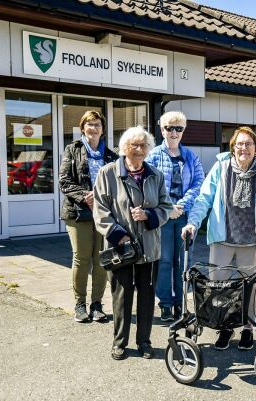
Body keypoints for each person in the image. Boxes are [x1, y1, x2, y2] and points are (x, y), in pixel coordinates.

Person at [181, 126, 256, 351]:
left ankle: (247, 327)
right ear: (232, 147)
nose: (243, 148)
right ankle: (225, 327)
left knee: (251, 287)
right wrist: (193, 222)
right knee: (220, 286)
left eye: (248, 144)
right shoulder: (221, 166)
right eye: (239, 144)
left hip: (251, 240)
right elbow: (204, 197)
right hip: (223, 238)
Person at [93, 126, 172, 360]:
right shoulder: (107, 174)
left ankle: (145, 342)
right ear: (124, 148)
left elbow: (166, 207)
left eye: (143, 145)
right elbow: (100, 211)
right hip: (121, 249)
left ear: (148, 149)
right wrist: (119, 234)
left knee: (147, 297)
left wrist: (150, 215)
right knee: (121, 296)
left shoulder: (155, 175)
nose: (138, 150)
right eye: (134, 145)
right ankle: (119, 342)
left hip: (149, 248)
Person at [145, 111, 204, 322]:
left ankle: (181, 302)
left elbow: (198, 182)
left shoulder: (191, 156)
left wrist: (181, 205)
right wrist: (169, 207)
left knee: (183, 262)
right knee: (164, 261)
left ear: (183, 131)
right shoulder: (152, 156)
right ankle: (165, 304)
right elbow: (150, 186)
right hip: (163, 217)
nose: (174, 132)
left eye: (178, 128)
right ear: (162, 130)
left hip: (184, 217)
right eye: (169, 128)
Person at [59, 110, 117, 323]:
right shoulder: (72, 149)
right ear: (83, 127)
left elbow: (117, 184)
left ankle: (97, 304)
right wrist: (85, 196)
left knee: (101, 259)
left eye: (98, 124)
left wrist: (103, 197)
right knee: (81, 258)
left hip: (103, 213)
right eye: (90, 124)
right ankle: (80, 304)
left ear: (103, 129)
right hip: (78, 212)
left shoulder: (111, 156)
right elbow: (64, 181)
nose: (94, 128)